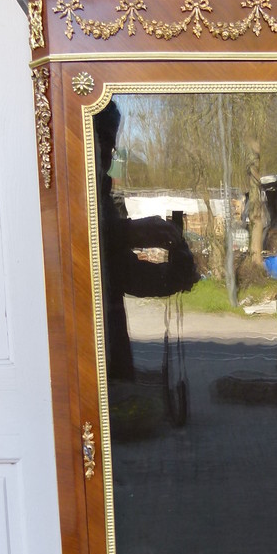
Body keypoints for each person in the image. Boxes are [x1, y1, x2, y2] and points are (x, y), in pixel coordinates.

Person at [93, 101, 199, 381]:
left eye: (109, 144)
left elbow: (121, 273)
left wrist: (174, 275)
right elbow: (81, 249)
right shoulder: (70, 194)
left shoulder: (100, 195)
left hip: (111, 345)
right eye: (99, 141)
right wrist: (131, 232)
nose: (106, 153)